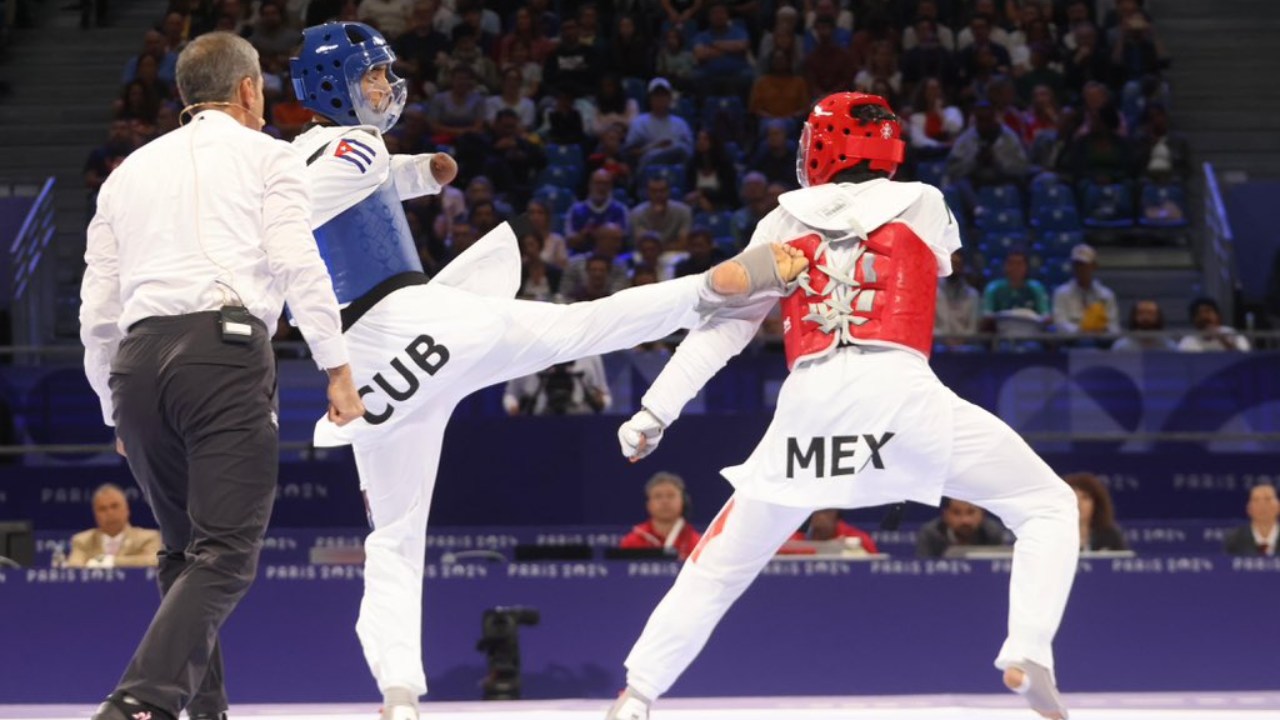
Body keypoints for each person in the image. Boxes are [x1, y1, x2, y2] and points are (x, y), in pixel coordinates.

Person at [288, 23, 809, 720]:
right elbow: (293, 216)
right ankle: (709, 290)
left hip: (376, 365)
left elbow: (331, 191)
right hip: (409, 325)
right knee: (576, 326)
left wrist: (417, 175)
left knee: (394, 534)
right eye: (375, 77)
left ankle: (399, 693)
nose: (387, 88)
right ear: (333, 84)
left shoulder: (321, 151)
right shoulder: (353, 144)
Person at [606, 92, 1079, 720]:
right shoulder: (925, 201)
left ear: (827, 146)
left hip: (811, 401)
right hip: (903, 393)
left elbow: (726, 328)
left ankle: (637, 695)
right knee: (1046, 507)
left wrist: (654, 411)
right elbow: (926, 264)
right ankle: (1027, 650)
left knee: (720, 564)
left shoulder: (781, 220)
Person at [79, 32, 364, 720]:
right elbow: (299, 264)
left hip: (136, 367)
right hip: (222, 355)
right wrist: (338, 369)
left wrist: (113, 409)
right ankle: (137, 704)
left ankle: (205, 713)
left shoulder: (125, 175)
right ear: (245, 90)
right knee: (229, 554)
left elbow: (95, 312)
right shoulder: (271, 158)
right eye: (262, 85)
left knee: (185, 552)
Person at [65, 484, 162, 568]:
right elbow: (74, 566)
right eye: (102, 509)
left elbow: (154, 561)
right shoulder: (82, 541)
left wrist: (111, 561)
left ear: (127, 509)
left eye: (115, 506)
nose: (109, 513)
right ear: (95, 514)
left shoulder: (148, 538)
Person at [619, 472, 702, 560]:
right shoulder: (632, 542)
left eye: (671, 496)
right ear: (649, 505)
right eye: (658, 496)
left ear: (683, 502)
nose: (665, 501)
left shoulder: (697, 543)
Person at [915, 498, 1008, 557]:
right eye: (956, 513)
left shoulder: (992, 532)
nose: (965, 520)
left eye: (971, 512)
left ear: (982, 513)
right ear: (945, 515)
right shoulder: (931, 534)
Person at [1062, 473, 1127, 552]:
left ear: (1096, 503)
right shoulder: (1056, 533)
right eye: (1074, 497)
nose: (1079, 503)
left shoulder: (1111, 535)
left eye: (1085, 497)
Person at [1223, 484, 1279, 556]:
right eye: (1256, 500)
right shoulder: (1234, 539)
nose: (1262, 506)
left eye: (1267, 499)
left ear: (1278, 507)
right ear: (1249, 509)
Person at [1177, 297, 1250, 352]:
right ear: (1193, 321)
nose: (1204, 316)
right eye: (1198, 314)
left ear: (1218, 316)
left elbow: (1244, 360)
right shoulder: (1187, 341)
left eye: (1208, 311)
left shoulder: (1233, 334)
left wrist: (1223, 340)